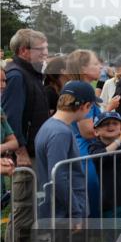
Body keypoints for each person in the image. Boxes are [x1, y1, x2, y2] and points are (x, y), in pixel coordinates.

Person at [1, 29, 50, 242]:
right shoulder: (17, 76)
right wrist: (20, 151)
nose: (46, 54)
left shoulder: (30, 74)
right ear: (24, 51)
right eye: (41, 49)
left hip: (33, 153)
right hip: (24, 157)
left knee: (31, 210)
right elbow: (10, 117)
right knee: (22, 210)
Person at [35, 81, 98, 224]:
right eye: (90, 107)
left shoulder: (50, 125)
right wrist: (75, 213)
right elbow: (58, 176)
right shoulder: (60, 133)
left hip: (60, 211)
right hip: (64, 214)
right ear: (85, 106)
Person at [65, 49, 106, 217]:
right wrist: (116, 134)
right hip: (86, 155)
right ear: (83, 68)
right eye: (95, 64)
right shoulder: (82, 91)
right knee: (91, 207)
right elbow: (87, 132)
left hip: (84, 152)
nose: (100, 67)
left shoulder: (77, 88)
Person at [87, 111, 121, 219]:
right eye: (105, 124)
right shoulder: (95, 146)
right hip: (110, 203)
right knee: (114, 229)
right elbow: (99, 156)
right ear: (96, 131)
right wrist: (120, 140)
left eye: (115, 123)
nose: (111, 126)